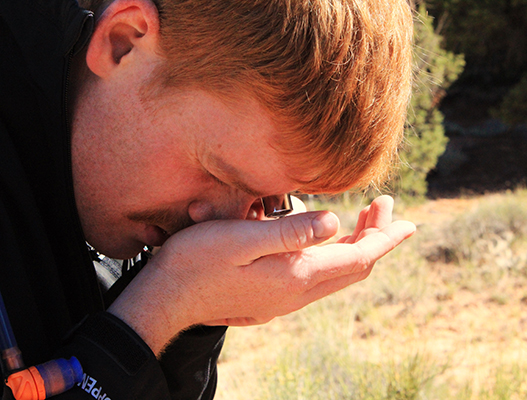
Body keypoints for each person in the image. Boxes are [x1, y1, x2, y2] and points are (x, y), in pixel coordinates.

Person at [0, 0, 415, 398]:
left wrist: (194, 314)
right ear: (122, 42)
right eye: (217, 173)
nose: (219, 225)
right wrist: (163, 302)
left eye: (266, 201)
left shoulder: (110, 174)